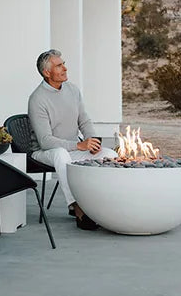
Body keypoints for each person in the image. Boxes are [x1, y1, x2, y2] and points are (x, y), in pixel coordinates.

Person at [28, 49, 118, 230]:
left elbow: (84, 120)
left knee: (110, 155)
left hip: (73, 149)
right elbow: (45, 141)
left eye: (64, 64)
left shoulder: (73, 90)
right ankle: (77, 208)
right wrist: (78, 145)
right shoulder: (37, 99)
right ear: (47, 73)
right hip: (44, 152)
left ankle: (101, 205)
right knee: (61, 155)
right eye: (59, 66)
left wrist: (92, 141)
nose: (65, 68)